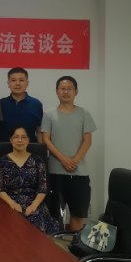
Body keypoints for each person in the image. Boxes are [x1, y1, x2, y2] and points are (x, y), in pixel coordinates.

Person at [41, 76, 97, 231]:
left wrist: (75, 160)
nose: (65, 92)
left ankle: (74, 245)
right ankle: (54, 246)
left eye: (69, 89)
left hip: (79, 173)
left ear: (76, 91)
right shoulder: (49, 114)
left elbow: (87, 141)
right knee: (54, 214)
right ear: (57, 91)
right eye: (62, 89)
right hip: (55, 172)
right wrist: (64, 160)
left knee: (78, 214)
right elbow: (46, 140)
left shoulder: (84, 113)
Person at [0, 126, 60, 233]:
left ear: (28, 140)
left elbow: (43, 188)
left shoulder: (38, 161)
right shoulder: (1, 162)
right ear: (11, 140)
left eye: (23, 137)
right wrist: (12, 204)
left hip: (34, 202)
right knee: (11, 223)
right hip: (9, 203)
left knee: (35, 223)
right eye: (16, 137)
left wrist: (33, 206)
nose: (20, 140)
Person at [0, 67, 43, 143]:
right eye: (13, 80)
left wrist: (42, 148)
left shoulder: (36, 104)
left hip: (30, 148)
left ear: (27, 83)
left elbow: (39, 131)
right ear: (8, 83)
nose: (17, 83)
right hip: (4, 148)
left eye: (21, 80)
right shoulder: (0, 103)